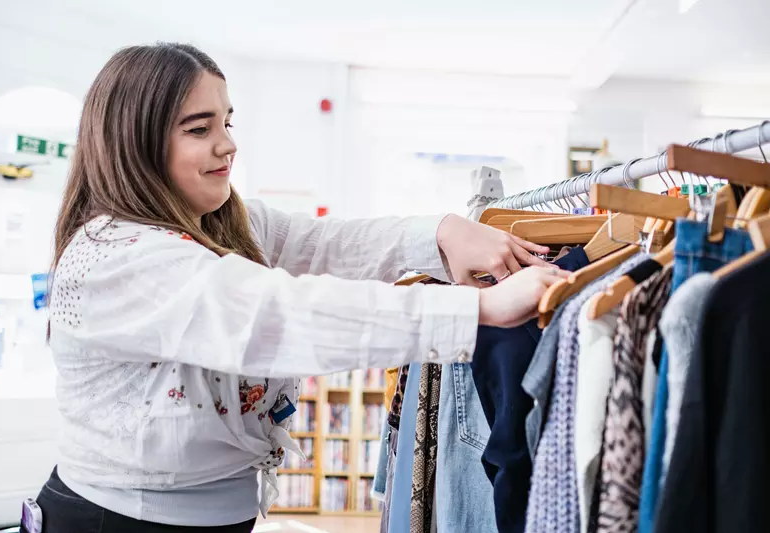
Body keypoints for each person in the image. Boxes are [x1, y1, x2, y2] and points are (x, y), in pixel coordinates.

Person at [35, 43, 569, 532]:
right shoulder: (116, 259)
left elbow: (323, 243)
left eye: (227, 120)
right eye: (200, 129)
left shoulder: (218, 221)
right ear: (137, 145)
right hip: (117, 521)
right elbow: (278, 314)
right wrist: (474, 309)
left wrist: (440, 232)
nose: (228, 144)